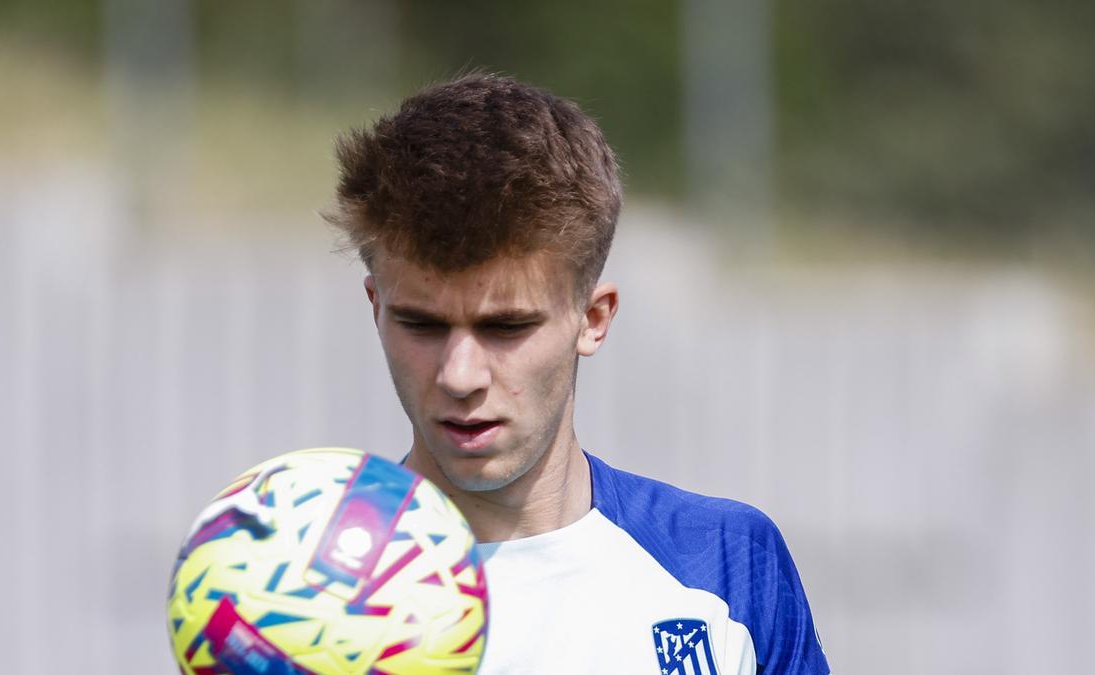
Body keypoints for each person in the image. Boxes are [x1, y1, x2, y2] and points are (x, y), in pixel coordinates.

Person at [326, 73, 829, 675]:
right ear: (376, 307)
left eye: (506, 328)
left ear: (593, 319)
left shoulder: (724, 563)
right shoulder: (302, 590)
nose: (460, 376)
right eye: (422, 325)